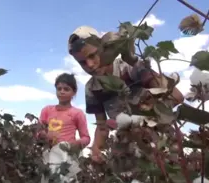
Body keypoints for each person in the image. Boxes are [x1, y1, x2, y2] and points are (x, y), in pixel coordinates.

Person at [67, 26, 184, 163]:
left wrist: (135, 61)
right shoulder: (92, 88)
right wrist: (96, 149)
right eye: (82, 62)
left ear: (103, 47)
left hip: (162, 141)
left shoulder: (128, 67)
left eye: (92, 55)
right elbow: (102, 127)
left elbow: (175, 96)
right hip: (132, 150)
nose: (90, 65)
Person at [37, 73, 90, 183]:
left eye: (66, 89)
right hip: (48, 156)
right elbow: (38, 131)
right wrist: (44, 135)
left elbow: (86, 138)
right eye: (59, 88)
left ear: (74, 92)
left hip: (67, 157)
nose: (62, 91)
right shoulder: (47, 110)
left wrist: (73, 145)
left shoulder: (77, 113)